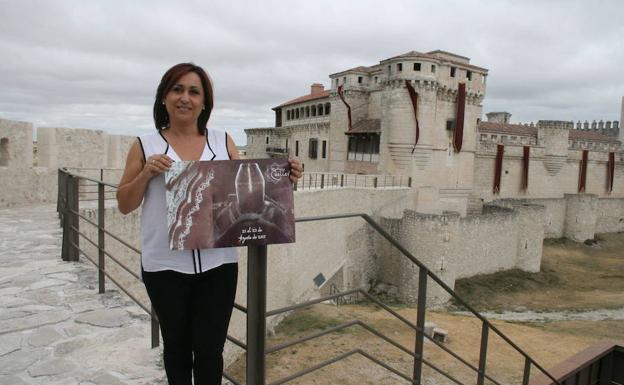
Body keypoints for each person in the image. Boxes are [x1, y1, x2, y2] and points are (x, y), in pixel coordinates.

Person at [116, 63, 302, 385]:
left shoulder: (221, 141)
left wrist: (287, 177)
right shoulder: (144, 145)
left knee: (210, 351)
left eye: (193, 91)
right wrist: (146, 174)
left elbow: (252, 190)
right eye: (177, 89)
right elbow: (124, 203)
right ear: (164, 97)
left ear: (205, 102)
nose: (184, 98)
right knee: (176, 347)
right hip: (164, 266)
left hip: (218, 265)